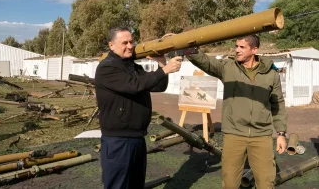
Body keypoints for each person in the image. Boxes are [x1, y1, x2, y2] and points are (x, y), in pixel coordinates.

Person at [186, 35, 287, 189]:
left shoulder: (271, 74)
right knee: (230, 183)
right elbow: (206, 63)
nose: (237, 50)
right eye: (236, 46)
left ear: (254, 50)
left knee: (266, 182)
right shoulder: (228, 67)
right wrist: (188, 47)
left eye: (242, 47)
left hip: (261, 136)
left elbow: (278, 103)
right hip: (234, 134)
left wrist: (281, 133)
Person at [95, 27, 182, 189]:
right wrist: (165, 70)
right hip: (118, 140)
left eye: (131, 42)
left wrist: (162, 63)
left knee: (136, 184)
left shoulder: (134, 67)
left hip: (137, 138)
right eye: (124, 43)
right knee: (118, 185)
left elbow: (158, 86)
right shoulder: (107, 68)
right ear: (111, 45)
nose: (129, 46)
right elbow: (134, 86)